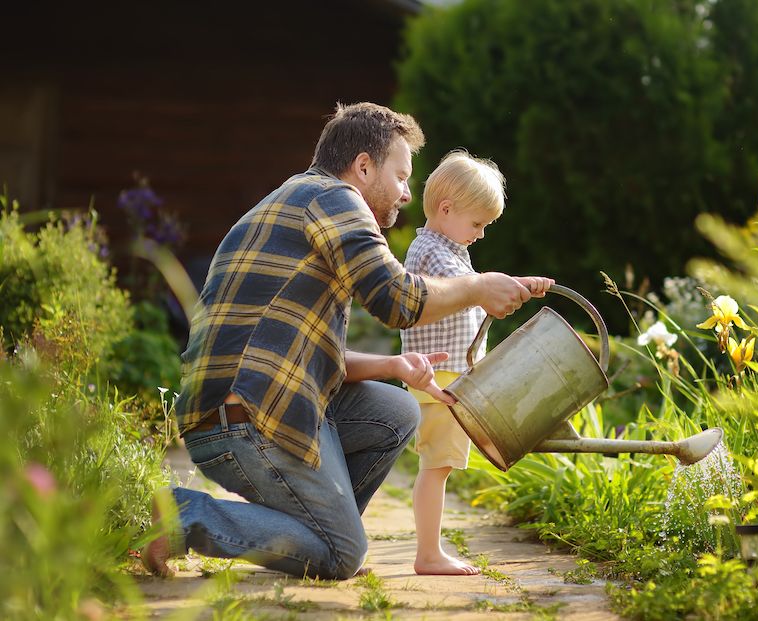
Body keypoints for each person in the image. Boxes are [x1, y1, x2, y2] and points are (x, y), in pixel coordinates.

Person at [142, 102, 547, 580]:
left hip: (259, 403)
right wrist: (478, 288)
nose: (405, 193)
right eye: (400, 176)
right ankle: (185, 515)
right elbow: (395, 299)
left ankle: (311, 531)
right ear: (362, 166)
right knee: (342, 556)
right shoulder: (336, 200)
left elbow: (308, 355)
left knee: (397, 410)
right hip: (242, 420)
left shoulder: (298, 199)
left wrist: (393, 367)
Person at [400, 151, 552, 575]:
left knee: (440, 464)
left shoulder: (445, 248)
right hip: (441, 379)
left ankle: (431, 549)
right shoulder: (432, 252)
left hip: (449, 376)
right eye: (478, 224)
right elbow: (469, 290)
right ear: (446, 210)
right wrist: (505, 286)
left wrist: (516, 286)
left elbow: (476, 293)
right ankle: (428, 554)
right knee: (437, 466)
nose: (481, 234)